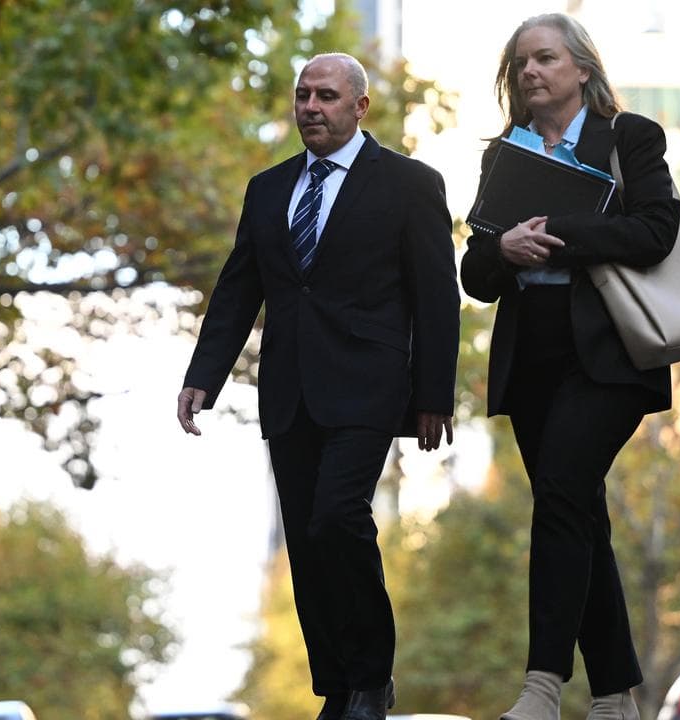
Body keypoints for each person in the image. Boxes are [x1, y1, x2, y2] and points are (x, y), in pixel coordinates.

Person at [175, 53, 459, 720]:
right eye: (302, 95)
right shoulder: (267, 189)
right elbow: (240, 287)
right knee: (305, 540)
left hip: (369, 385)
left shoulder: (410, 184)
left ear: (360, 108)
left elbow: (436, 296)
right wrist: (201, 378)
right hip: (289, 389)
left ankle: (371, 677)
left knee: (338, 516)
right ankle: (337, 686)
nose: (310, 107)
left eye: (326, 96)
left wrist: (433, 395)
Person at [459, 13, 680, 720]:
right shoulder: (502, 155)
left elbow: (657, 230)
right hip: (533, 356)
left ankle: (544, 685)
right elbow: (475, 272)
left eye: (545, 58)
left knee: (560, 492)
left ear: (581, 68)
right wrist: (504, 250)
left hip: (610, 351)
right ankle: (615, 695)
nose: (530, 72)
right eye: (520, 62)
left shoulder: (629, 137)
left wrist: (554, 235)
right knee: (578, 510)